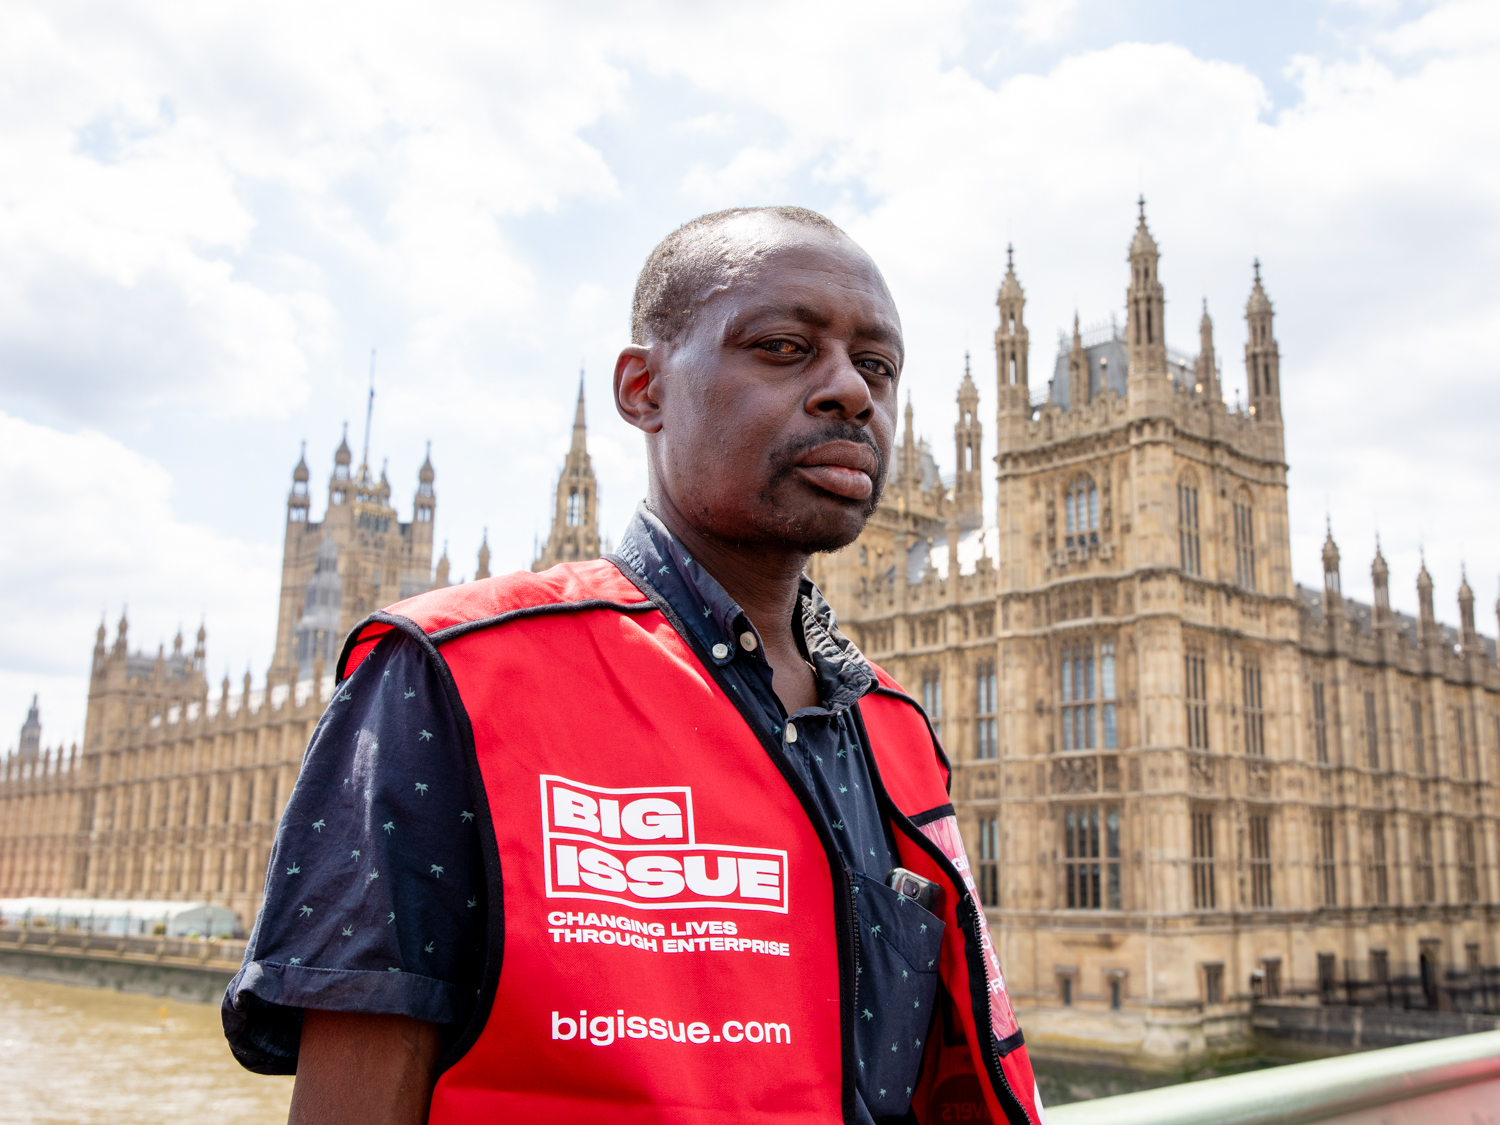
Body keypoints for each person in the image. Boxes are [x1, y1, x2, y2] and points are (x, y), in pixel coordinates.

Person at [224, 206, 1043, 1125]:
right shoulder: (452, 677)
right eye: (781, 347)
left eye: (879, 367)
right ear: (644, 389)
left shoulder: (895, 733)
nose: (850, 389)